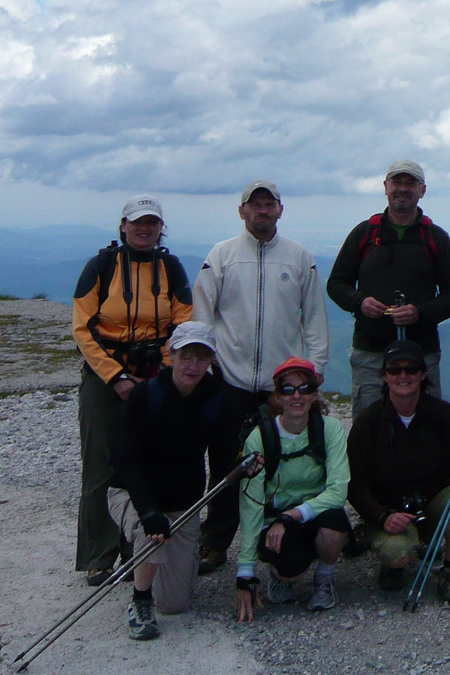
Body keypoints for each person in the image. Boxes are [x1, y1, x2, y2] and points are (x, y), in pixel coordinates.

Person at [192, 180, 330, 575]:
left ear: (280, 211)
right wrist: (205, 365)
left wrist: (314, 369)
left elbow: (315, 318)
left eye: (269, 205)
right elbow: (202, 314)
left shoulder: (299, 257)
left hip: (281, 386)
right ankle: (215, 541)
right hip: (230, 380)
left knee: (282, 463)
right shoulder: (222, 255)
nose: (262, 211)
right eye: (255, 205)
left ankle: (278, 542)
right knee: (224, 463)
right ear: (242, 212)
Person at [72, 195, 194, 585]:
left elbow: (183, 325)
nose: (145, 229)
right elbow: (82, 328)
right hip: (105, 380)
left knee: (146, 462)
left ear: (161, 228)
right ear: (123, 225)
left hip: (154, 376)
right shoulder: (101, 265)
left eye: (152, 223)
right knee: (100, 465)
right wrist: (116, 377)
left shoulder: (170, 267)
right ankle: (99, 556)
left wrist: (161, 375)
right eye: (137, 222)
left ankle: (137, 548)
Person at [107, 322, 242, 640]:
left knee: (175, 604)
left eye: (202, 358)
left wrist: (242, 465)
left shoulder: (215, 399)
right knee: (151, 533)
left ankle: (152, 564)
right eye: (186, 356)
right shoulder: (145, 395)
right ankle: (140, 601)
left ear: (211, 361)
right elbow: (126, 460)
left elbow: (223, 455)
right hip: (131, 493)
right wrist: (148, 511)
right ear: (170, 354)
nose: (193, 366)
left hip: (184, 505)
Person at [346, 340, 450, 606]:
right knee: (398, 553)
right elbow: (354, 483)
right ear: (384, 376)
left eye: (411, 368)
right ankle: (394, 560)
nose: (403, 375)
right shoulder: (368, 421)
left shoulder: (443, 414)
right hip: (388, 512)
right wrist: (381, 516)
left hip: (430, 505)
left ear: (423, 373)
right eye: (394, 369)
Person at [327, 160, 450, 414]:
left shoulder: (435, 238)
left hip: (421, 353)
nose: (403, 188)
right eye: (397, 182)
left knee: (425, 426)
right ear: (385, 187)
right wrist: (360, 303)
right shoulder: (364, 233)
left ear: (422, 190)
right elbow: (336, 283)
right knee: (370, 428)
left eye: (410, 183)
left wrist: (420, 313)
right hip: (371, 351)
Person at [233, 357, 350, 617]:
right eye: (288, 389)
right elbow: (251, 504)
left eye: (305, 388)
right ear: (278, 396)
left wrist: (290, 517)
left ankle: (324, 578)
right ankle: (282, 576)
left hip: (308, 516)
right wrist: (245, 573)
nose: (297, 396)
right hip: (274, 521)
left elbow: (338, 491)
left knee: (335, 523)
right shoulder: (260, 437)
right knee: (292, 565)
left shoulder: (329, 429)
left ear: (314, 394)